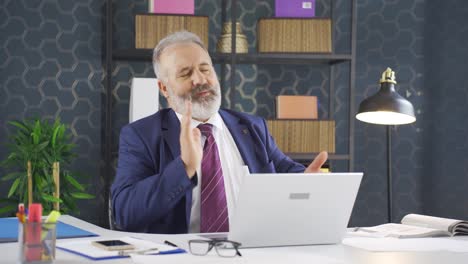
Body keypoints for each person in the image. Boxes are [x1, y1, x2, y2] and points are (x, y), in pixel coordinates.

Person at [111, 31, 328, 234]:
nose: (200, 79)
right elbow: (125, 213)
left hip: (251, 252)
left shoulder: (252, 127)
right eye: (185, 73)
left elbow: (286, 172)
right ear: (164, 88)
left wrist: (306, 182)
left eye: (205, 69)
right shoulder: (141, 135)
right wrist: (184, 167)